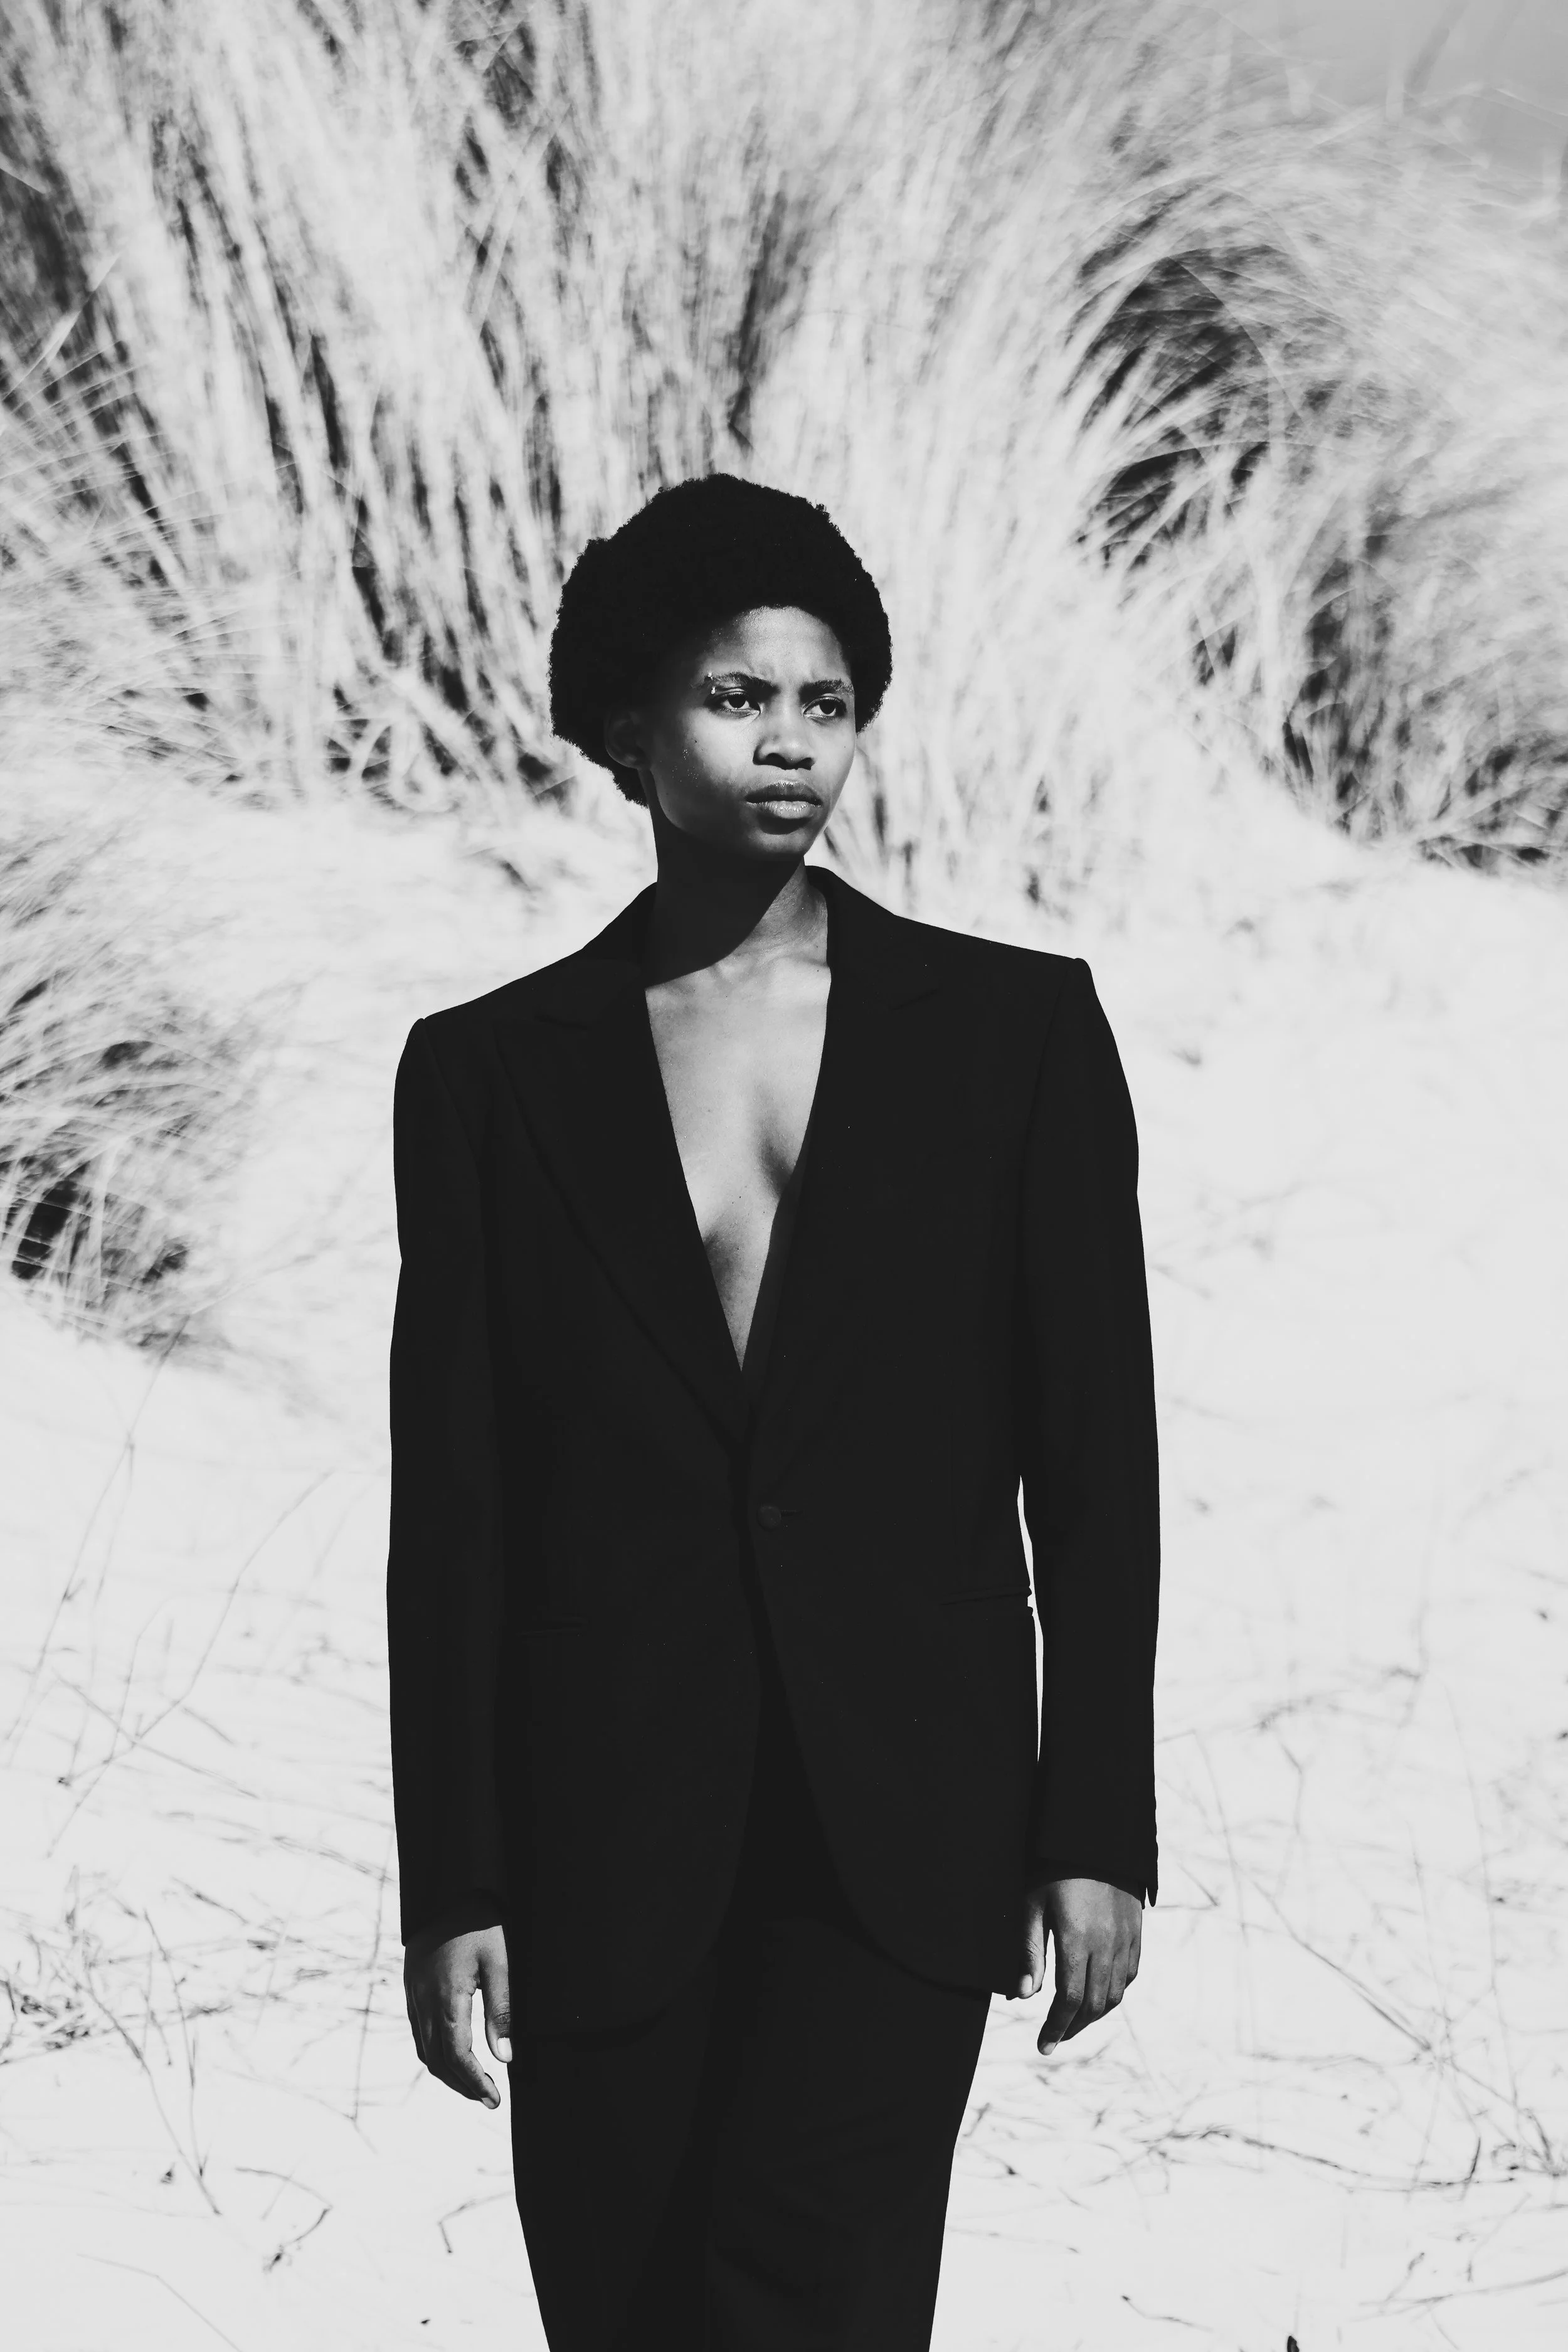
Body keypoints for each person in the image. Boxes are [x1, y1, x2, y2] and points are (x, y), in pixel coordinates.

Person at [388, 474, 1160, 2350]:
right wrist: (455, 1873)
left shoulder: (1014, 1033)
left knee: (822, 2303)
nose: (790, 742)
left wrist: (1096, 1823)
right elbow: (459, 1506)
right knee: (627, 2307)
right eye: (741, 699)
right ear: (629, 729)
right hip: (601, 1823)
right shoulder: (490, 1073)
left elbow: (1097, 1457)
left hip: (901, 1811)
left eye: (824, 702)